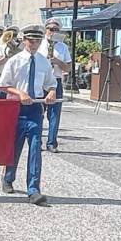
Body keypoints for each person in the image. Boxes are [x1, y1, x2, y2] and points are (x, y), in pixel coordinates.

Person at [0, 25, 57, 206]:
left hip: (35, 109)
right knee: (14, 147)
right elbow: (2, 85)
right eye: (31, 40)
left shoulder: (43, 62)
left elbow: (51, 83)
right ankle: (8, 177)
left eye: (37, 41)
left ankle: (33, 189)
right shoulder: (15, 61)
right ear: (24, 41)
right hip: (16, 108)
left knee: (35, 148)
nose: (34, 44)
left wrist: (51, 92)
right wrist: (19, 93)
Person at [38, 18, 71, 153]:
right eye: (51, 29)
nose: (53, 32)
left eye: (56, 29)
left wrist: (57, 61)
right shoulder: (39, 43)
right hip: (40, 81)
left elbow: (68, 68)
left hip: (55, 80)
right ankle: (37, 141)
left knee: (54, 114)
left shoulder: (62, 47)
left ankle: (51, 143)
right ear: (46, 30)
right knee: (38, 112)